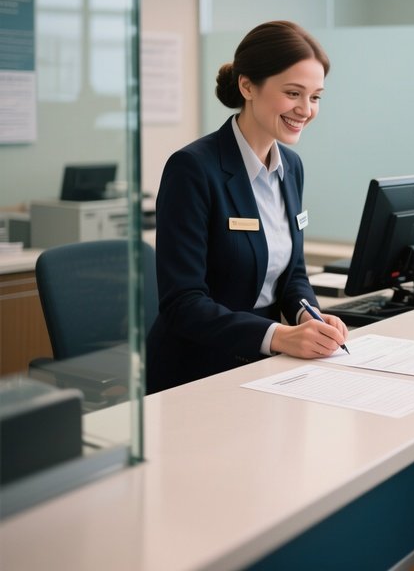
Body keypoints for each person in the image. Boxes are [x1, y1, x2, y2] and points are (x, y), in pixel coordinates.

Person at [147, 20, 348, 393]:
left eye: (316, 96)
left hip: (266, 369)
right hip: (196, 372)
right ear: (247, 86)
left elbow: (294, 275)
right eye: (293, 93)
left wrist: (308, 315)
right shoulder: (193, 169)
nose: (306, 109)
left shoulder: (291, 167)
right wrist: (279, 336)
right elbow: (182, 302)